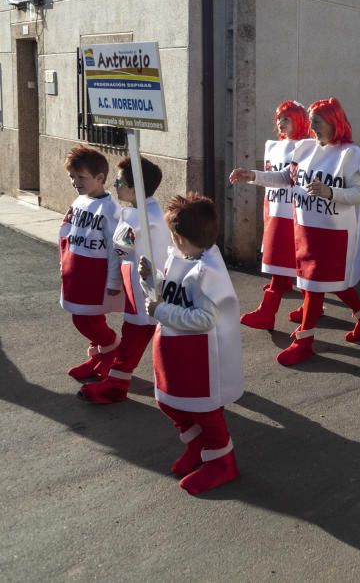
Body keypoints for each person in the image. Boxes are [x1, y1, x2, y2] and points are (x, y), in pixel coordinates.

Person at [230, 97, 360, 365]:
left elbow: (357, 194)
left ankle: (304, 341)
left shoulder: (350, 154)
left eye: (318, 122)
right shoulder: (307, 150)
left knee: (315, 284)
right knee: (322, 282)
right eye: (311, 123)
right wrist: (252, 176)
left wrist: (329, 192)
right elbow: (286, 178)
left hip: (333, 233)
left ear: (335, 122)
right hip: (306, 229)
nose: (313, 127)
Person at [140, 193, 242, 495]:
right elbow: (168, 290)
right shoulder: (180, 258)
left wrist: (162, 312)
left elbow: (204, 319)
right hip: (172, 349)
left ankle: (222, 461)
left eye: (173, 236)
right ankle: (197, 445)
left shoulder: (207, 272)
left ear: (181, 238)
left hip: (199, 358)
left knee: (206, 412)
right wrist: (151, 278)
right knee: (168, 401)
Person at [80, 157, 173, 403]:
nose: (114, 185)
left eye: (119, 181)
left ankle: (116, 383)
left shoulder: (143, 217)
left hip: (144, 285)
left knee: (138, 332)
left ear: (135, 188)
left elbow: (122, 248)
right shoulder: (138, 211)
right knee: (143, 331)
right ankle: (116, 379)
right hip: (138, 282)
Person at [239, 100, 313, 330]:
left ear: (299, 121)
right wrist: (253, 176)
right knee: (289, 264)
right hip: (277, 212)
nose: (281, 123)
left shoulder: (307, 148)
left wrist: (252, 175)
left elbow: (285, 178)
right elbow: (278, 178)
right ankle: (315, 306)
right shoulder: (276, 147)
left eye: (287, 119)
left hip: (296, 215)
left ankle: (268, 312)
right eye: (279, 118)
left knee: (291, 265)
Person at [60, 146, 125, 381]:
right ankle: (98, 355)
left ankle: (111, 347)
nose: (75, 182)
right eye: (72, 177)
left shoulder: (110, 210)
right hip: (75, 271)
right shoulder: (79, 201)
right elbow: (65, 234)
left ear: (100, 178)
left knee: (88, 319)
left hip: (95, 274)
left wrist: (114, 281)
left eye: (81, 177)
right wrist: (64, 264)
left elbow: (115, 249)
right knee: (83, 317)